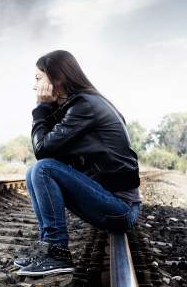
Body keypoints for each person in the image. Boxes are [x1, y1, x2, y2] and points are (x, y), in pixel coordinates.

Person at [15, 50, 141, 277]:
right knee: (34, 171)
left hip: (121, 208)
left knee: (43, 169)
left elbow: (42, 150)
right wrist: (50, 109)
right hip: (110, 201)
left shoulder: (85, 106)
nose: (34, 86)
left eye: (38, 78)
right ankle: (49, 249)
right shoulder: (78, 106)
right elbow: (51, 151)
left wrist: (41, 108)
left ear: (57, 78)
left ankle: (58, 253)